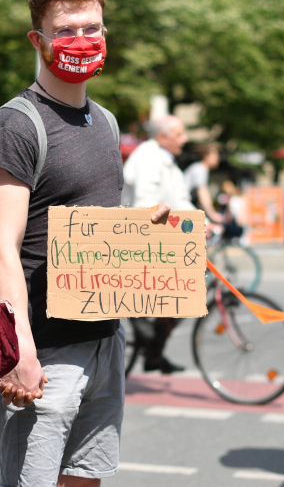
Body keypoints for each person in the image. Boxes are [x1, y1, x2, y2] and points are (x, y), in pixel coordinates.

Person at [0, 0, 170, 487]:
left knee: (86, 480)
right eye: (66, 31)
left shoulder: (104, 122)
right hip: (45, 350)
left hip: (105, 341)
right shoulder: (17, 125)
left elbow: (89, 226)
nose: (82, 41)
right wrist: (19, 350)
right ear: (38, 41)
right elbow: (2, 248)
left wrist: (148, 232)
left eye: (93, 28)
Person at [121, 115, 196, 374]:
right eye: (180, 134)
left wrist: (203, 222)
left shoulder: (167, 161)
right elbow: (146, 203)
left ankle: (153, 348)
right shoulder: (148, 158)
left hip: (161, 241)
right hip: (142, 242)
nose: (185, 140)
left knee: (185, 296)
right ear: (163, 136)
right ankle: (146, 337)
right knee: (181, 294)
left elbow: (181, 200)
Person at [184, 144, 225, 224]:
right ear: (206, 156)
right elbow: (203, 194)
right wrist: (213, 215)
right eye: (215, 156)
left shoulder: (200, 168)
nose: (218, 159)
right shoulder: (200, 169)